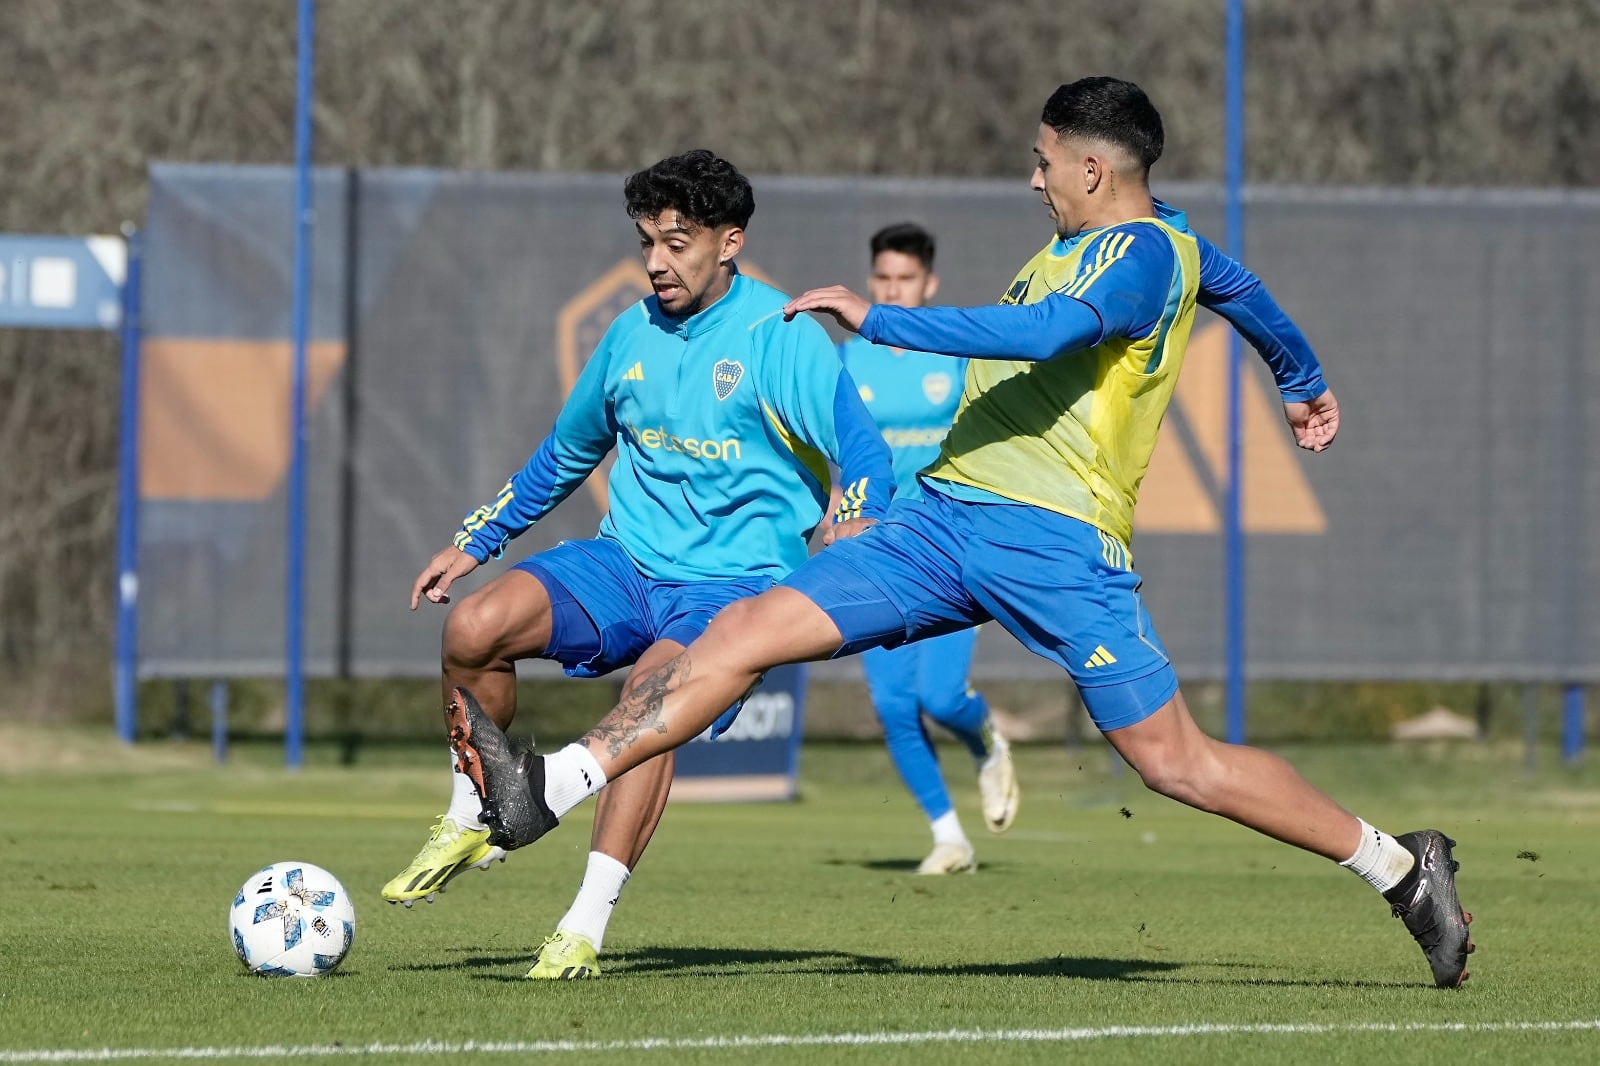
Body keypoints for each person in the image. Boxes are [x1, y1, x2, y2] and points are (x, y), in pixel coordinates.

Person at [452, 78, 1475, 989]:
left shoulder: (1142, 257)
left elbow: (1048, 332)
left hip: (1054, 543)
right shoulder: (1128, 241)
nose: (1032, 180)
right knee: (747, 631)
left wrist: (879, 318)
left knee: (1174, 765)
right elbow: (1240, 287)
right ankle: (554, 786)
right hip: (937, 522)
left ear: (1088, 164)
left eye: (1040, 162)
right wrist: (1298, 378)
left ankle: (1396, 865)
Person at [384, 149, 894, 981]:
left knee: (650, 700)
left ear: (729, 242)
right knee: (474, 625)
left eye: (677, 241)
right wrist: (476, 541)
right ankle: (472, 808)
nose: (657, 261)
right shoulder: (628, 335)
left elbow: (866, 456)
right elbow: (562, 455)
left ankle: (584, 924)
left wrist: (856, 512)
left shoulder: (783, 337)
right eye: (647, 242)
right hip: (626, 565)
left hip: (734, 591)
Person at [838, 222, 1017, 875]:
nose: (892, 289)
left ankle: (986, 738)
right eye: (882, 279)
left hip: (948, 546)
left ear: (929, 283)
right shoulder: (849, 359)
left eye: (904, 280)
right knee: (892, 704)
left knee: (939, 699)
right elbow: (837, 454)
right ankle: (950, 838)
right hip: (878, 554)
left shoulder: (957, 353)